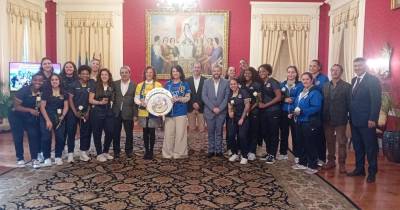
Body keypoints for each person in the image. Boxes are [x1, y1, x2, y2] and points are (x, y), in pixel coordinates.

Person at [348, 57, 382, 183]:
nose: (357, 68)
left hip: (367, 121)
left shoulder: (372, 80)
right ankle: (359, 169)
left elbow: (376, 101)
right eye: (355, 66)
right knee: (358, 146)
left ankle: (372, 172)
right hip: (354, 120)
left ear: (365, 66)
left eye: (360, 66)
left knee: (370, 148)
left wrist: (373, 118)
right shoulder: (353, 80)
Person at [9, 74, 44, 168]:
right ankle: (20, 158)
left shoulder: (41, 91)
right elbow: (16, 107)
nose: (38, 82)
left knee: (33, 135)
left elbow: (38, 103)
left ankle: (34, 159)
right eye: (36, 80)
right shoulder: (24, 90)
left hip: (29, 116)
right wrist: (30, 110)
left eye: (40, 80)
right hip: (16, 116)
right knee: (18, 136)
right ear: (32, 81)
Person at [290, 72, 323, 174]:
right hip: (299, 121)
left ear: (311, 80)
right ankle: (302, 163)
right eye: (303, 79)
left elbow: (316, 107)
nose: (305, 81)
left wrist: (302, 111)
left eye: (307, 79)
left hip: (309, 122)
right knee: (301, 143)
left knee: (310, 144)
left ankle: (312, 165)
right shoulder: (302, 91)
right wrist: (292, 113)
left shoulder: (315, 92)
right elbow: (297, 104)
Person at [322, 64, 351, 173]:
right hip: (327, 118)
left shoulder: (347, 86)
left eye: (337, 70)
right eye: (332, 70)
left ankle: (342, 164)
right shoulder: (325, 86)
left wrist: (349, 117)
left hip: (341, 119)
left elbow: (350, 104)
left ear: (341, 72)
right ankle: (331, 161)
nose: (334, 72)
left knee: (342, 142)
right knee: (329, 141)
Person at [40, 74, 69, 166]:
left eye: (56, 79)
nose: (54, 81)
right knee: (46, 138)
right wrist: (48, 120)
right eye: (52, 80)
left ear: (59, 81)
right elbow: (42, 107)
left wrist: (62, 116)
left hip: (60, 117)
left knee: (60, 137)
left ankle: (58, 156)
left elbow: (66, 106)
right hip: (46, 116)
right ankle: (47, 157)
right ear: (50, 81)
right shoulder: (46, 92)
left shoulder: (64, 93)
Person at [162, 65, 191, 159]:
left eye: (177, 71)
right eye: (173, 71)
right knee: (168, 134)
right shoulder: (167, 84)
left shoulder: (185, 84)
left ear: (180, 73)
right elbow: (163, 98)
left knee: (180, 134)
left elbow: (188, 98)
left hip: (181, 112)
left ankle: (179, 153)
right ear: (171, 73)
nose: (175, 73)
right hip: (169, 113)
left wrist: (179, 99)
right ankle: (167, 153)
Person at [134, 66, 163, 160]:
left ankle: (151, 151)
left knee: (152, 132)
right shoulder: (140, 85)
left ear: (153, 74)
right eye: (147, 72)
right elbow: (136, 98)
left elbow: (161, 98)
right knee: (145, 132)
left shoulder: (158, 85)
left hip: (153, 113)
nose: (149, 74)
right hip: (143, 112)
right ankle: (146, 150)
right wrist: (140, 102)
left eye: (151, 72)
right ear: (145, 74)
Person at [68, 65, 94, 162]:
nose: (85, 75)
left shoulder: (91, 84)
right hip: (73, 112)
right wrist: (75, 112)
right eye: (83, 73)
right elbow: (70, 99)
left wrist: (87, 112)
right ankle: (70, 154)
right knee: (71, 132)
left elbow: (91, 99)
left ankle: (83, 152)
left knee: (85, 132)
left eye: (87, 74)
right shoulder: (73, 84)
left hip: (86, 112)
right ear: (79, 74)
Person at [202, 65, 230, 157]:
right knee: (210, 132)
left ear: (221, 72)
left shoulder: (226, 82)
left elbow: (227, 97)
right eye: (214, 71)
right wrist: (213, 108)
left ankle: (219, 150)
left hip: (221, 112)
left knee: (219, 132)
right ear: (212, 72)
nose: (216, 73)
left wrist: (220, 108)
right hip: (209, 111)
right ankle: (211, 150)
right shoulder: (206, 82)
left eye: (218, 71)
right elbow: (204, 97)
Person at [89, 68, 115, 162]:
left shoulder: (111, 86)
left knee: (110, 131)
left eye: (106, 75)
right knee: (97, 133)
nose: (104, 76)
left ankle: (105, 151)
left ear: (109, 76)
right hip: (97, 112)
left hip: (108, 112)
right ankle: (99, 153)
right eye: (102, 74)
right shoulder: (95, 85)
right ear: (100, 76)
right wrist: (100, 103)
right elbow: (90, 100)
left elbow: (113, 97)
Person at [258, 64, 282, 164]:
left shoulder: (273, 82)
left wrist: (266, 105)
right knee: (265, 132)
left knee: (273, 133)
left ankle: (272, 154)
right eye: (259, 72)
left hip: (273, 111)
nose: (261, 73)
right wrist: (259, 102)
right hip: (264, 113)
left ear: (268, 72)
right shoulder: (262, 83)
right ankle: (268, 152)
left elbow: (279, 97)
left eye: (263, 71)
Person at [112, 66, 137, 159]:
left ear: (129, 73)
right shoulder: (115, 84)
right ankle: (116, 151)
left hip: (129, 113)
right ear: (120, 74)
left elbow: (135, 102)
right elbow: (112, 97)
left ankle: (129, 150)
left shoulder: (134, 85)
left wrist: (135, 114)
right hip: (116, 112)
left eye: (126, 72)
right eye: (122, 72)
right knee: (116, 133)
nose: (124, 74)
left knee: (129, 133)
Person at [279, 66, 303, 162]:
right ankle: (283, 153)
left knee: (296, 134)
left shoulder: (300, 85)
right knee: (284, 134)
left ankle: (297, 155)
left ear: (296, 74)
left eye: (293, 72)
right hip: (284, 112)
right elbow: (278, 97)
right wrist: (284, 99)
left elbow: (301, 98)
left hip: (295, 113)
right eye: (289, 72)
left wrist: (292, 100)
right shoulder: (282, 84)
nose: (290, 74)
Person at [308, 59, 329, 166]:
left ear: (319, 67)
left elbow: (325, 94)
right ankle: (312, 156)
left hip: (320, 110)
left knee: (320, 136)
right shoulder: (307, 77)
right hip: (309, 111)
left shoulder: (324, 78)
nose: (312, 68)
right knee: (311, 136)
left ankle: (321, 158)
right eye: (310, 66)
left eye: (314, 66)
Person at [227, 78, 251, 164]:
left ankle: (245, 156)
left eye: (234, 84)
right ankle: (235, 153)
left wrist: (242, 118)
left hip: (243, 118)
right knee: (231, 135)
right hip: (233, 119)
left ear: (237, 84)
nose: (233, 85)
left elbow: (247, 106)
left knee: (242, 136)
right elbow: (229, 105)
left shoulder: (243, 92)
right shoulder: (230, 94)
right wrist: (230, 112)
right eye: (231, 84)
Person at [241, 67, 262, 161]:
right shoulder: (242, 85)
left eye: (249, 73)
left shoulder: (257, 85)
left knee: (254, 132)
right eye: (245, 73)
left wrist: (249, 109)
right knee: (245, 132)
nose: (247, 75)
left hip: (254, 112)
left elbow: (259, 100)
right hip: (244, 112)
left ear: (252, 74)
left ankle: (252, 151)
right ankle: (245, 150)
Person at [61, 61, 79, 163]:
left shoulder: (78, 79)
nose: (68, 68)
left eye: (71, 67)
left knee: (71, 131)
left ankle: (71, 153)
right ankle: (62, 150)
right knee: (61, 132)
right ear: (64, 68)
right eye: (66, 67)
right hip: (61, 108)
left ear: (74, 68)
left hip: (73, 109)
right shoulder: (59, 78)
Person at [186, 62, 206, 152]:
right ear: (193, 68)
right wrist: (193, 103)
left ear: (201, 69)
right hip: (190, 107)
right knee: (191, 128)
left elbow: (206, 95)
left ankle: (201, 147)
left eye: (198, 67)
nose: (197, 69)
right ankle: (192, 146)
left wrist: (199, 104)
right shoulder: (187, 80)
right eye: (195, 67)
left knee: (202, 129)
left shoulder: (205, 80)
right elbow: (186, 94)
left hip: (201, 108)